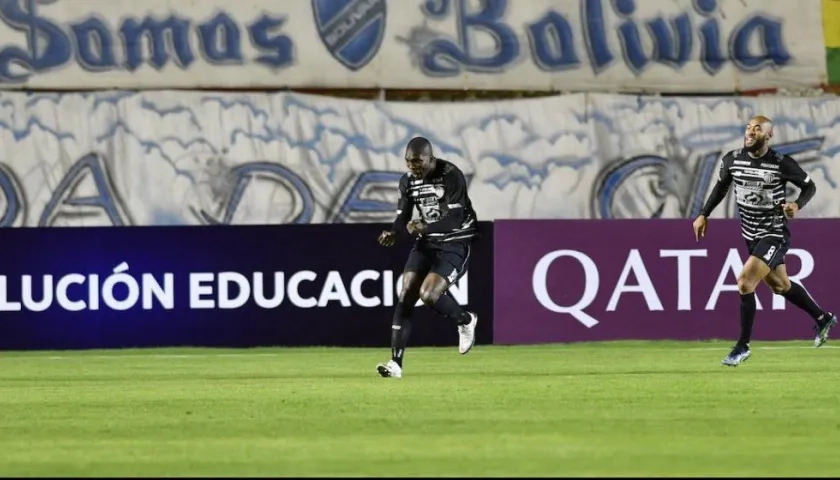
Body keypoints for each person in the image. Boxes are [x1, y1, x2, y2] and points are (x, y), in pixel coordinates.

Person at [693, 115, 837, 367]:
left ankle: (742, 346)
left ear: (768, 136)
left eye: (757, 129)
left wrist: (796, 205)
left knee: (745, 281)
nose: (750, 132)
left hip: (774, 233)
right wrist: (703, 214)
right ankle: (823, 318)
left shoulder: (781, 163)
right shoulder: (733, 160)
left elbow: (810, 186)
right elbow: (720, 188)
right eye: (748, 128)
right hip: (750, 233)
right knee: (781, 286)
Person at [375, 136, 479, 378]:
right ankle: (395, 364)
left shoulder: (451, 175)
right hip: (427, 242)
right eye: (409, 162)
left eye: (418, 162)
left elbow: (454, 219)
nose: (414, 167)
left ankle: (465, 320)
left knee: (429, 294)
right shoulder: (408, 181)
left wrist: (424, 227)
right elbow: (402, 216)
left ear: (431, 159)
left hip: (456, 240)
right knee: (407, 292)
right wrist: (393, 231)